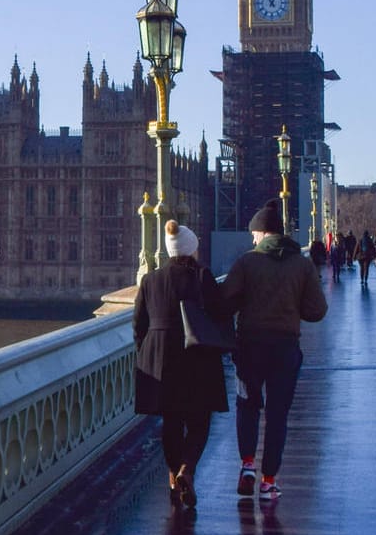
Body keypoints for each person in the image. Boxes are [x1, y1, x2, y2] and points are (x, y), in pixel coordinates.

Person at [219, 197, 328, 501]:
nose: (252, 238)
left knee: (247, 405)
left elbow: (224, 302)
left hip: (250, 347)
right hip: (286, 348)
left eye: (254, 233)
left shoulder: (247, 262)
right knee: (278, 414)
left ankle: (247, 466)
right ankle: (269, 481)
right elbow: (317, 311)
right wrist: (292, 309)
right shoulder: (302, 265)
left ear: (264, 233)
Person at [133, 221, 230, 508]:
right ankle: (188, 469)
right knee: (199, 421)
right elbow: (220, 315)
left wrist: (147, 351)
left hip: (160, 360)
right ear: (190, 250)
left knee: (171, 422)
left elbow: (139, 324)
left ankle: (175, 477)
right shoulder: (202, 278)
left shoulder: (150, 280)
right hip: (197, 359)